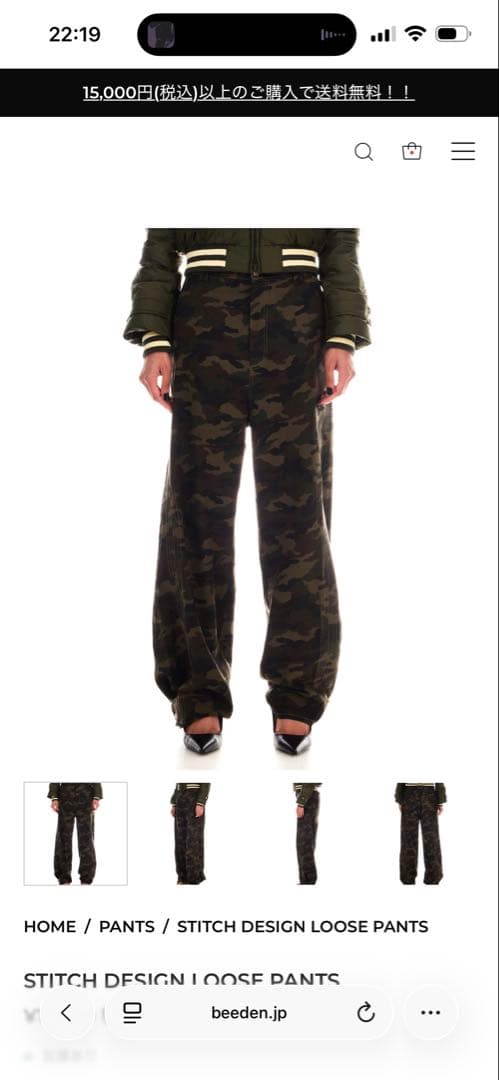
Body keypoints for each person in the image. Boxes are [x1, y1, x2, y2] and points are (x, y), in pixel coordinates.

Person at [124, 230, 371, 755]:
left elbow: (339, 244)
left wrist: (343, 335)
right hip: (204, 323)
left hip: (298, 323)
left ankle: (298, 693)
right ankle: (197, 692)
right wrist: (155, 338)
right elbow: (161, 245)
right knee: (195, 514)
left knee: (299, 520)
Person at [48, 782, 102, 885]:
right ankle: (63, 877)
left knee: (86, 839)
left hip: (86, 796)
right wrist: (54, 797)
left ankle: (86, 878)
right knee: (63, 838)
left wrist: (97, 795)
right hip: (65, 796)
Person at [395, 782, 446, 885]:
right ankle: (433, 878)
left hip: (409, 794)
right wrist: (440, 800)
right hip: (428, 795)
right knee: (431, 839)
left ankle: (407, 879)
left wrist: (399, 797)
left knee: (408, 839)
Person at [170, 783, 210, 884]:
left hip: (194, 797)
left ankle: (194, 877)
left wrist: (200, 802)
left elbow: (206, 783)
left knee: (193, 840)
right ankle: (182, 877)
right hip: (180, 797)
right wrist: (174, 803)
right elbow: (178, 784)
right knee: (180, 840)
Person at [294, 782, 321, 884]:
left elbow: (309, 782)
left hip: (307, 797)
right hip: (308, 796)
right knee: (306, 842)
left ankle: (308, 881)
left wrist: (301, 803)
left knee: (304, 843)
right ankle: (306, 880)